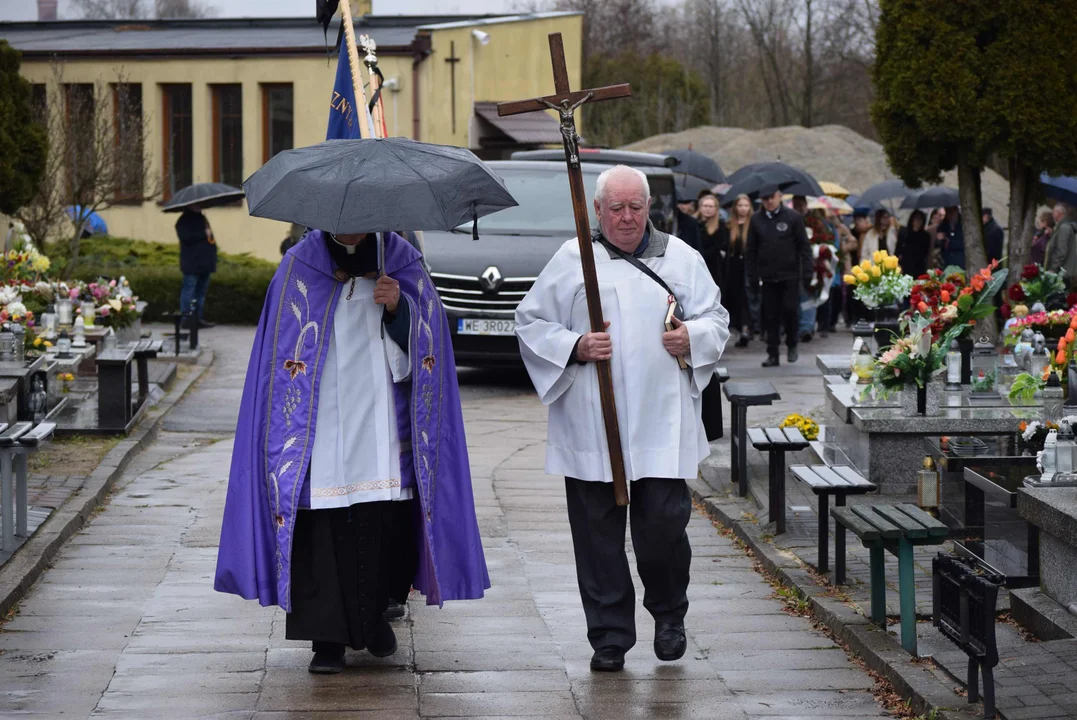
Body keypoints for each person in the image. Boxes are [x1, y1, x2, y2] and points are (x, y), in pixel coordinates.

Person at [215, 229, 490, 674]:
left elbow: (429, 343)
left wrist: (400, 307)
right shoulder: (298, 265)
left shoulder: (402, 259)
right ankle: (327, 642)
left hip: (381, 417)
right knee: (322, 525)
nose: (351, 228)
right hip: (319, 422)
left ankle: (374, 619)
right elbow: (278, 350)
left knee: (381, 521)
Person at [514, 165, 729, 673]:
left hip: (661, 423)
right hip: (593, 425)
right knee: (597, 537)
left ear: (648, 206)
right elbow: (529, 322)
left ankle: (669, 615)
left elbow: (716, 319)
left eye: (636, 207)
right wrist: (576, 345)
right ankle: (609, 636)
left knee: (661, 530)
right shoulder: (572, 260)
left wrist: (690, 338)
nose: (627, 217)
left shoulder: (681, 257)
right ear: (597, 210)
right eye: (617, 208)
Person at [747, 185, 811, 367]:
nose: (769, 201)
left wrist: (807, 273)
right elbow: (751, 250)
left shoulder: (793, 218)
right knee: (770, 315)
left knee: (791, 310)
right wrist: (752, 276)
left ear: (779, 196)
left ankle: (792, 343)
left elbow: (804, 247)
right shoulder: (757, 220)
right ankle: (772, 353)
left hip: (790, 275)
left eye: (771, 197)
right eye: (765, 198)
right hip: (767, 277)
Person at [175, 204, 217, 328]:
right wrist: (203, 234)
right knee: (189, 291)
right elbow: (186, 237)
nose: (199, 206)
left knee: (200, 293)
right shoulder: (183, 221)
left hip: (205, 263)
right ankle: (186, 318)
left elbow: (209, 238)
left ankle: (198, 318)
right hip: (192, 264)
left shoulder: (202, 218)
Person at [895, 209, 932, 280]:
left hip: (919, 267)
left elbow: (925, 253)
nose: (918, 221)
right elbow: (898, 250)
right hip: (905, 266)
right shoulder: (904, 233)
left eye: (920, 219)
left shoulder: (925, 236)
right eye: (916, 219)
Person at [1046, 202, 1077, 281]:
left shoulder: (1064, 227)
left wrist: (1053, 268)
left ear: (1059, 213)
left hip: (1061, 274)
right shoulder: (1062, 226)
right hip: (1063, 272)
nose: (1052, 214)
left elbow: (1061, 251)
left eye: (1054, 211)